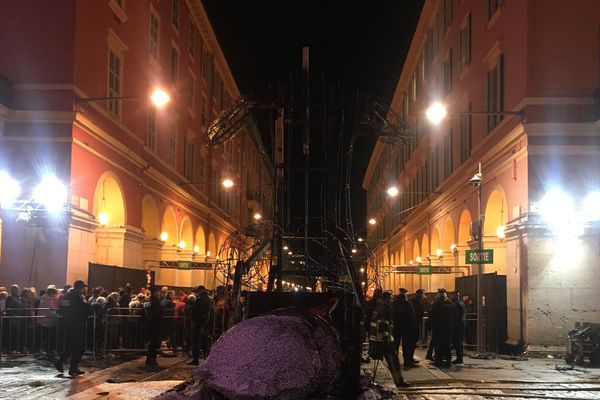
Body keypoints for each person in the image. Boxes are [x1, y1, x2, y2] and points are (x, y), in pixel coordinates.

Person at [368, 292, 409, 388]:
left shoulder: (379, 307)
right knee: (393, 361)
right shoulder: (384, 308)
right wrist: (387, 338)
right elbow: (383, 325)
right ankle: (399, 381)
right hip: (384, 340)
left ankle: (395, 380)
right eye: (390, 298)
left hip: (379, 340)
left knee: (383, 361)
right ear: (386, 298)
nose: (391, 300)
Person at [55, 280, 92, 376]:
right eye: (83, 288)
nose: (84, 290)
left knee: (70, 347)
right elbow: (85, 309)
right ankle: (71, 366)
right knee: (79, 347)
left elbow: (61, 310)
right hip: (77, 325)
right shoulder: (78, 297)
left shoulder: (67, 296)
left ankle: (65, 364)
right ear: (79, 288)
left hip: (67, 325)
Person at [428, 288, 456, 367]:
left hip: (438, 329)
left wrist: (430, 326)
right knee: (447, 345)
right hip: (448, 328)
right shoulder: (451, 305)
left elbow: (431, 316)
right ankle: (448, 361)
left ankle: (438, 360)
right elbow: (455, 316)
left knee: (438, 345)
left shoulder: (436, 305)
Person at [392, 288, 418, 367]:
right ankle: (407, 361)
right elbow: (412, 317)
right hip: (406, 328)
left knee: (395, 345)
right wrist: (413, 328)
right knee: (406, 346)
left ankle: (394, 362)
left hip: (396, 327)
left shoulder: (393, 304)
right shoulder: (407, 304)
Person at [188, 286, 211, 365]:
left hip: (198, 323)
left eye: (197, 291)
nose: (196, 292)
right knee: (205, 341)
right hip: (205, 323)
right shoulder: (208, 299)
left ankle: (195, 359)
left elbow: (195, 312)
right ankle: (206, 358)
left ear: (201, 290)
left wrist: (193, 321)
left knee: (196, 341)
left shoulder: (199, 300)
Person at [143, 285, 163, 367]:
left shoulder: (147, 300)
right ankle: (151, 359)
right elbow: (158, 313)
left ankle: (150, 359)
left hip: (149, 323)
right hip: (154, 323)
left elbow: (144, 312)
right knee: (153, 342)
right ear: (155, 292)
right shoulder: (155, 301)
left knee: (151, 342)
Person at [451, 292, 465, 364]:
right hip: (460, 325)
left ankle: (459, 359)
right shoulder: (462, 303)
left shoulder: (455, 304)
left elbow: (454, 315)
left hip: (456, 326)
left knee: (457, 343)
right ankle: (460, 358)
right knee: (459, 343)